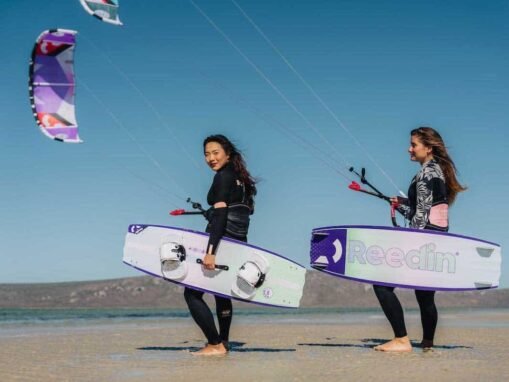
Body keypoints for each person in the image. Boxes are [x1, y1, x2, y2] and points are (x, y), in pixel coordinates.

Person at [373, 127, 466, 352]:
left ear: (428, 147)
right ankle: (427, 344)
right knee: (425, 296)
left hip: (424, 241)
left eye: (414, 145)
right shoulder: (438, 171)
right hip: (438, 239)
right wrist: (404, 204)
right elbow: (430, 210)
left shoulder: (425, 174)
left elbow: (421, 218)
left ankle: (401, 340)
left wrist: (408, 243)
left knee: (382, 285)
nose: (409, 149)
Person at [184, 134, 257, 356]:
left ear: (227, 153)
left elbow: (223, 214)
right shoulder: (242, 180)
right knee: (220, 292)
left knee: (192, 294)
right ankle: (223, 342)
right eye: (207, 154)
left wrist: (211, 252)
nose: (211, 158)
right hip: (237, 242)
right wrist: (213, 213)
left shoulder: (223, 177)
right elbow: (241, 213)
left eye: (215, 153)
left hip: (222, 240)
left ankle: (214, 344)